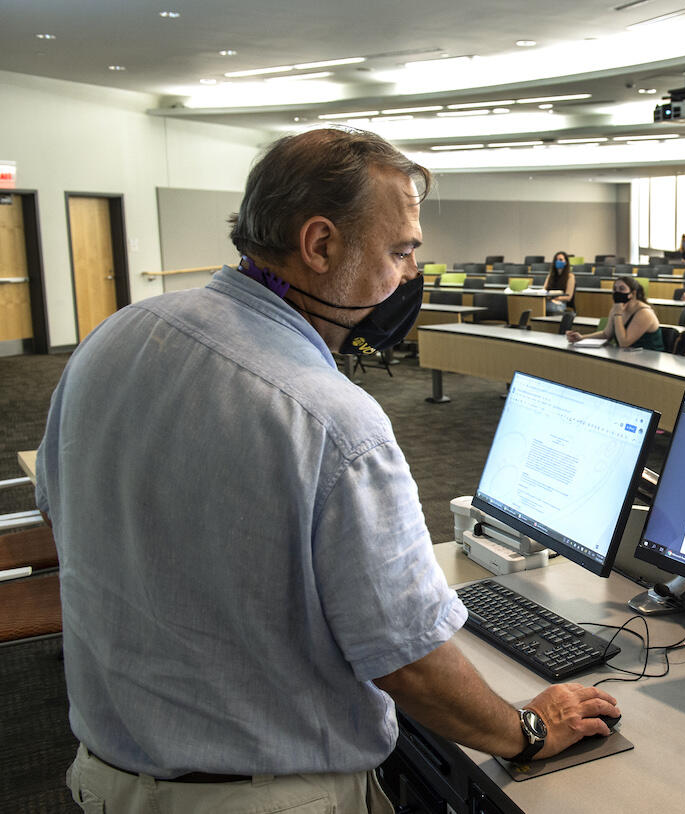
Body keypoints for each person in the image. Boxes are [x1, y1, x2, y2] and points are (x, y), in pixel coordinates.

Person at [35, 128, 618, 813]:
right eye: (400, 251)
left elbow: (61, 507)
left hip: (104, 778)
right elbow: (411, 663)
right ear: (319, 245)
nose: (408, 277)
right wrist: (526, 731)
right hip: (266, 796)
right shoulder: (333, 419)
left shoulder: (118, 335)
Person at [566, 276, 663, 351]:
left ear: (632, 294)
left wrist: (617, 314)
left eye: (622, 289)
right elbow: (606, 334)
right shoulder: (617, 308)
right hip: (629, 356)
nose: (617, 292)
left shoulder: (644, 313)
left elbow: (624, 343)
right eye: (615, 289)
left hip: (649, 359)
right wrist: (582, 337)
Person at [544, 250, 575, 314]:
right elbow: (543, 291)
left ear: (566, 262)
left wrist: (555, 299)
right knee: (539, 306)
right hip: (549, 301)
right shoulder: (550, 276)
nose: (558, 261)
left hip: (562, 303)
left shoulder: (570, 277)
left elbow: (568, 297)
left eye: (560, 260)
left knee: (546, 307)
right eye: (556, 260)